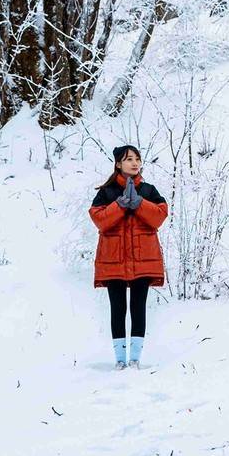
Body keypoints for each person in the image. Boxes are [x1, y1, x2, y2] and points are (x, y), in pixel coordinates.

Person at [89, 145, 168, 370]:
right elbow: (99, 220)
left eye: (137, 159)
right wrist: (120, 205)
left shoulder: (149, 190)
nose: (134, 163)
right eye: (128, 159)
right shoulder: (107, 192)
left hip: (143, 260)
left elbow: (160, 216)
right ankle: (120, 360)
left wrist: (139, 203)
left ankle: (135, 359)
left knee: (138, 308)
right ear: (118, 164)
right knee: (118, 309)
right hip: (113, 260)